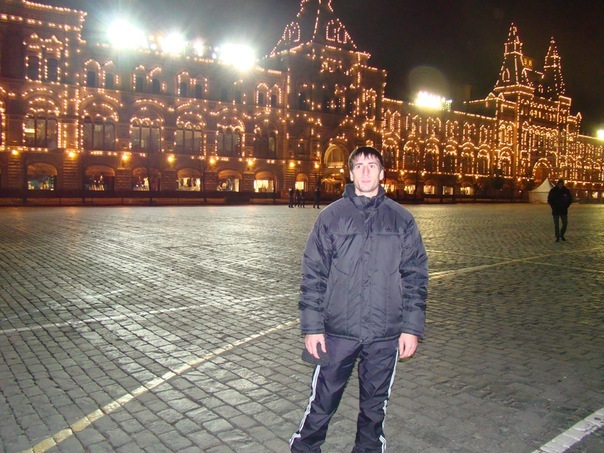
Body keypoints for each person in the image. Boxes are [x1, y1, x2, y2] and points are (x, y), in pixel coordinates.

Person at [290, 146, 429, 452]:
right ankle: (305, 448)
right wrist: (312, 328)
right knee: (322, 401)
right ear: (351, 174)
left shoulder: (401, 219)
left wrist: (411, 328)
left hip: (384, 333)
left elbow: (415, 277)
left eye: (372, 165)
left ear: (382, 173)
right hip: (338, 332)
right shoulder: (330, 217)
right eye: (359, 166)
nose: (366, 172)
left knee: (374, 407)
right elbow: (313, 276)